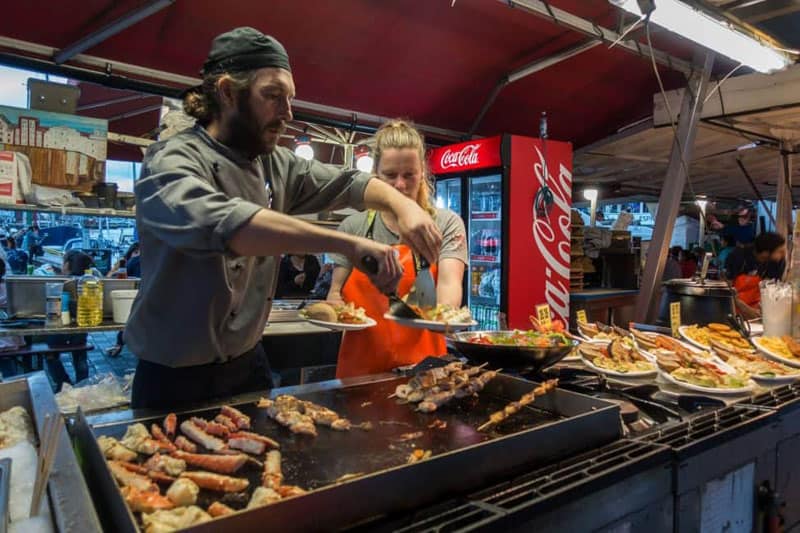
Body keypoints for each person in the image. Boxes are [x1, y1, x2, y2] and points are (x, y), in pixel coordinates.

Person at [125, 27, 441, 409]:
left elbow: (350, 182)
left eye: (290, 98)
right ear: (227, 92)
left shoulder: (273, 163)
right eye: (273, 96)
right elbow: (232, 226)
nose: (288, 114)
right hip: (175, 380)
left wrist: (403, 205)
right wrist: (346, 244)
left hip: (248, 365)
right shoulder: (170, 164)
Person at [327, 120, 468, 378]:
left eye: (409, 175)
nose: (400, 185)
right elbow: (335, 294)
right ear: (375, 175)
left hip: (426, 374)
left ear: (422, 173)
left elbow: (450, 286)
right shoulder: (353, 227)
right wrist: (334, 309)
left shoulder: (445, 224)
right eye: (390, 175)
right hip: (360, 374)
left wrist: (444, 318)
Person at [44, 250, 93, 392]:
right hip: (81, 325)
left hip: (59, 325)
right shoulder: (89, 280)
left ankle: (63, 383)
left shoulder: (57, 283)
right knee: (80, 356)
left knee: (51, 355)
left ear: (67, 264)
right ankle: (82, 387)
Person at [725, 231, 786, 318]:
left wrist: (766, 310)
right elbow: (726, 290)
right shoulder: (738, 256)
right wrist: (745, 309)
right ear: (766, 252)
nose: (783, 254)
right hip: (733, 311)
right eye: (780, 251)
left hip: (757, 313)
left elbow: (771, 291)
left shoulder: (777, 262)